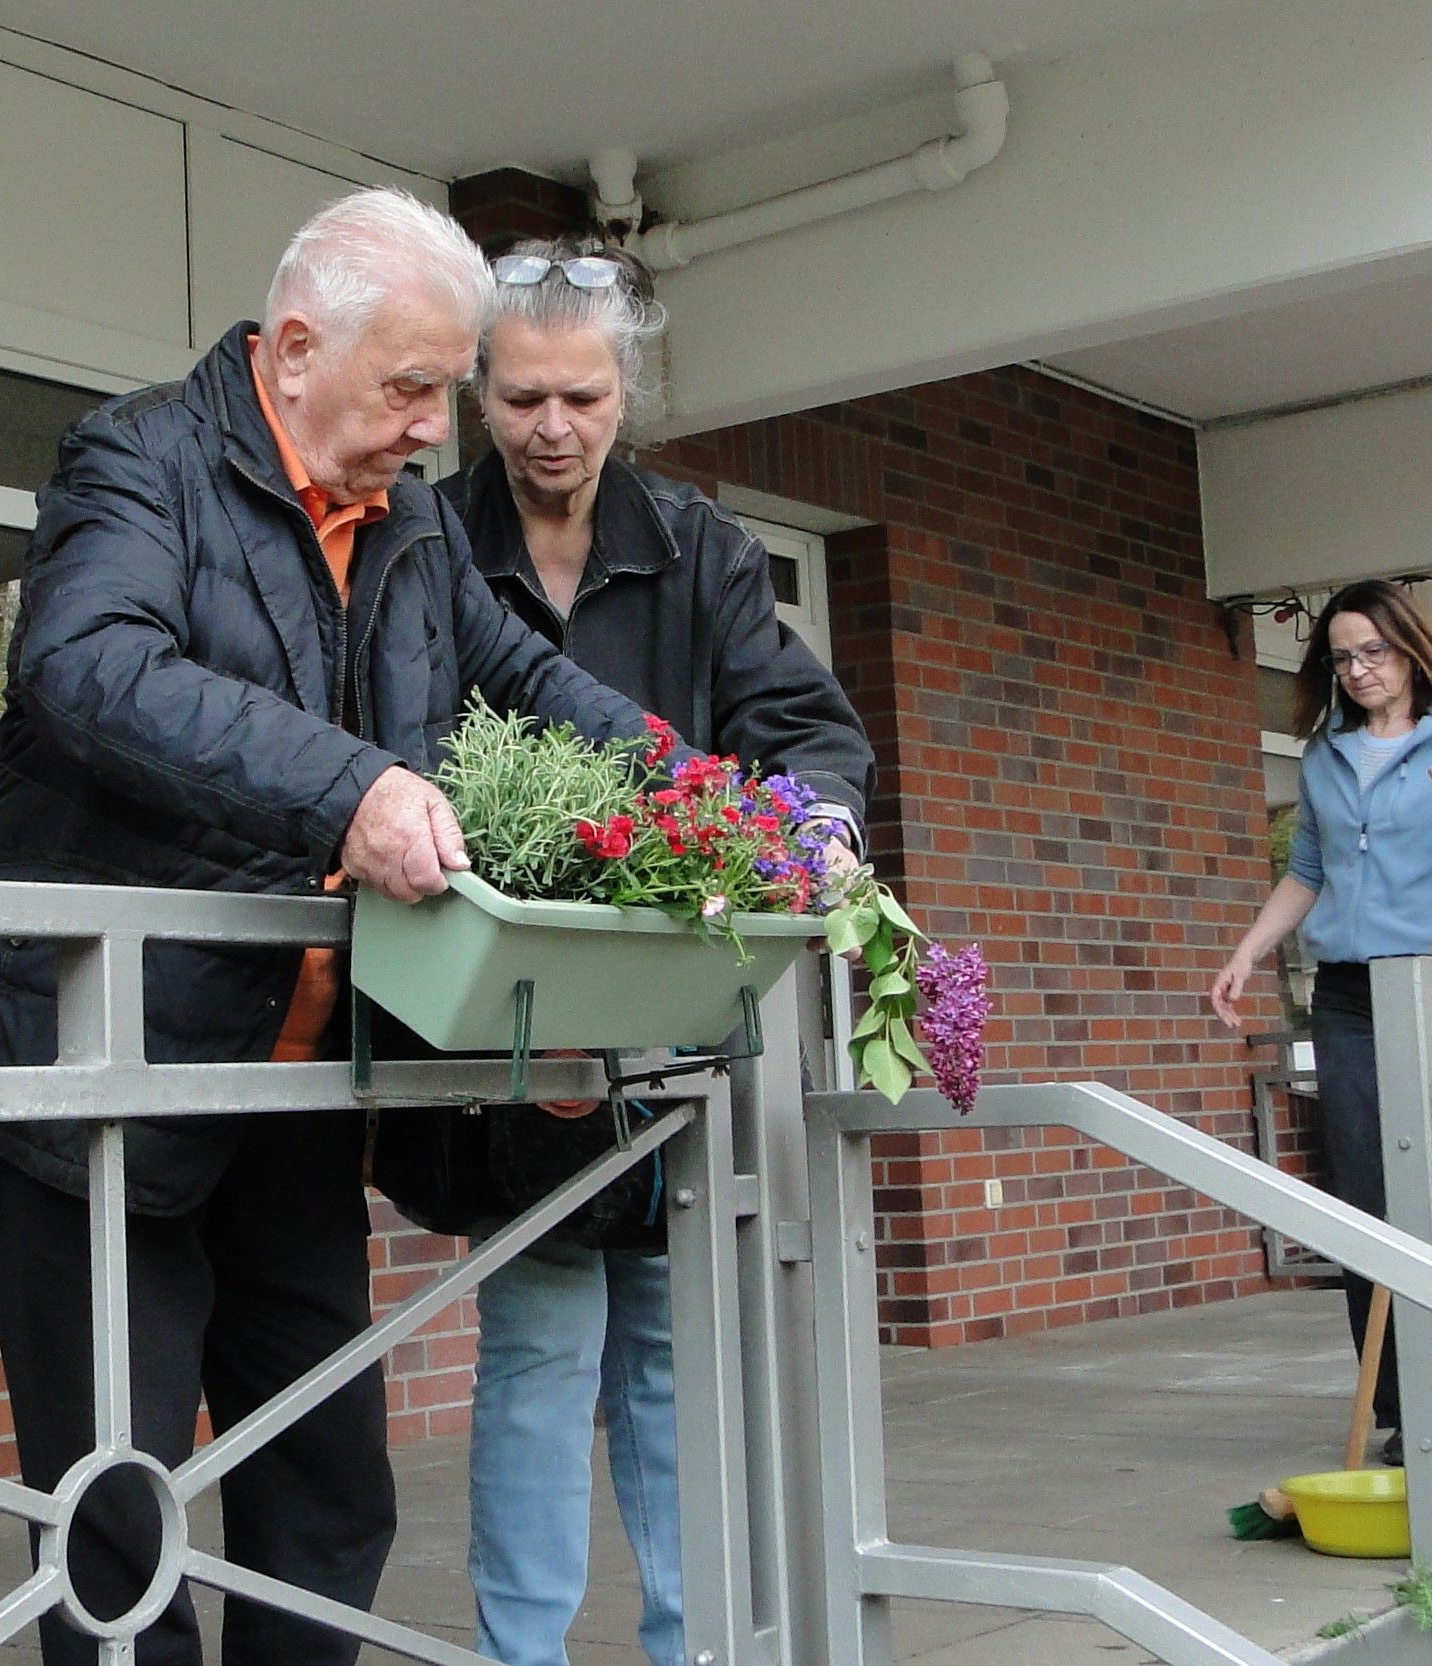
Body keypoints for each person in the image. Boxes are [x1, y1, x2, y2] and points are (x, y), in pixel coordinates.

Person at [0, 189, 645, 1666]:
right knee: (116, 1518)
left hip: (288, 1089)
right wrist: (352, 784)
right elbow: (87, 667)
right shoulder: (135, 457)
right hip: (96, 1084)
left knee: (328, 1492)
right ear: (295, 348)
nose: (438, 428)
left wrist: (701, 795)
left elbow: (526, 682)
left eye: (442, 392)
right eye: (414, 388)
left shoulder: (412, 519)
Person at [375, 239, 872, 1666]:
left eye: (580, 399)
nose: (551, 429)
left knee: (666, 1348)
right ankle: (523, 1654)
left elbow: (806, 729)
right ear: (479, 392)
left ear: (625, 394)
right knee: (536, 1343)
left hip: (667, 1018)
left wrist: (818, 826)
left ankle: (687, 1643)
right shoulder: (426, 534)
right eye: (522, 397)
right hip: (507, 1018)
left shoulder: (700, 546)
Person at [1208, 580, 1432, 1462]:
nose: (1360, 671)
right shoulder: (1325, 755)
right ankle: (1400, 1405)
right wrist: (1248, 951)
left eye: (1376, 651)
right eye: (1342, 657)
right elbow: (1310, 871)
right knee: (1367, 1198)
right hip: (1349, 997)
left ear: (1412, 650)